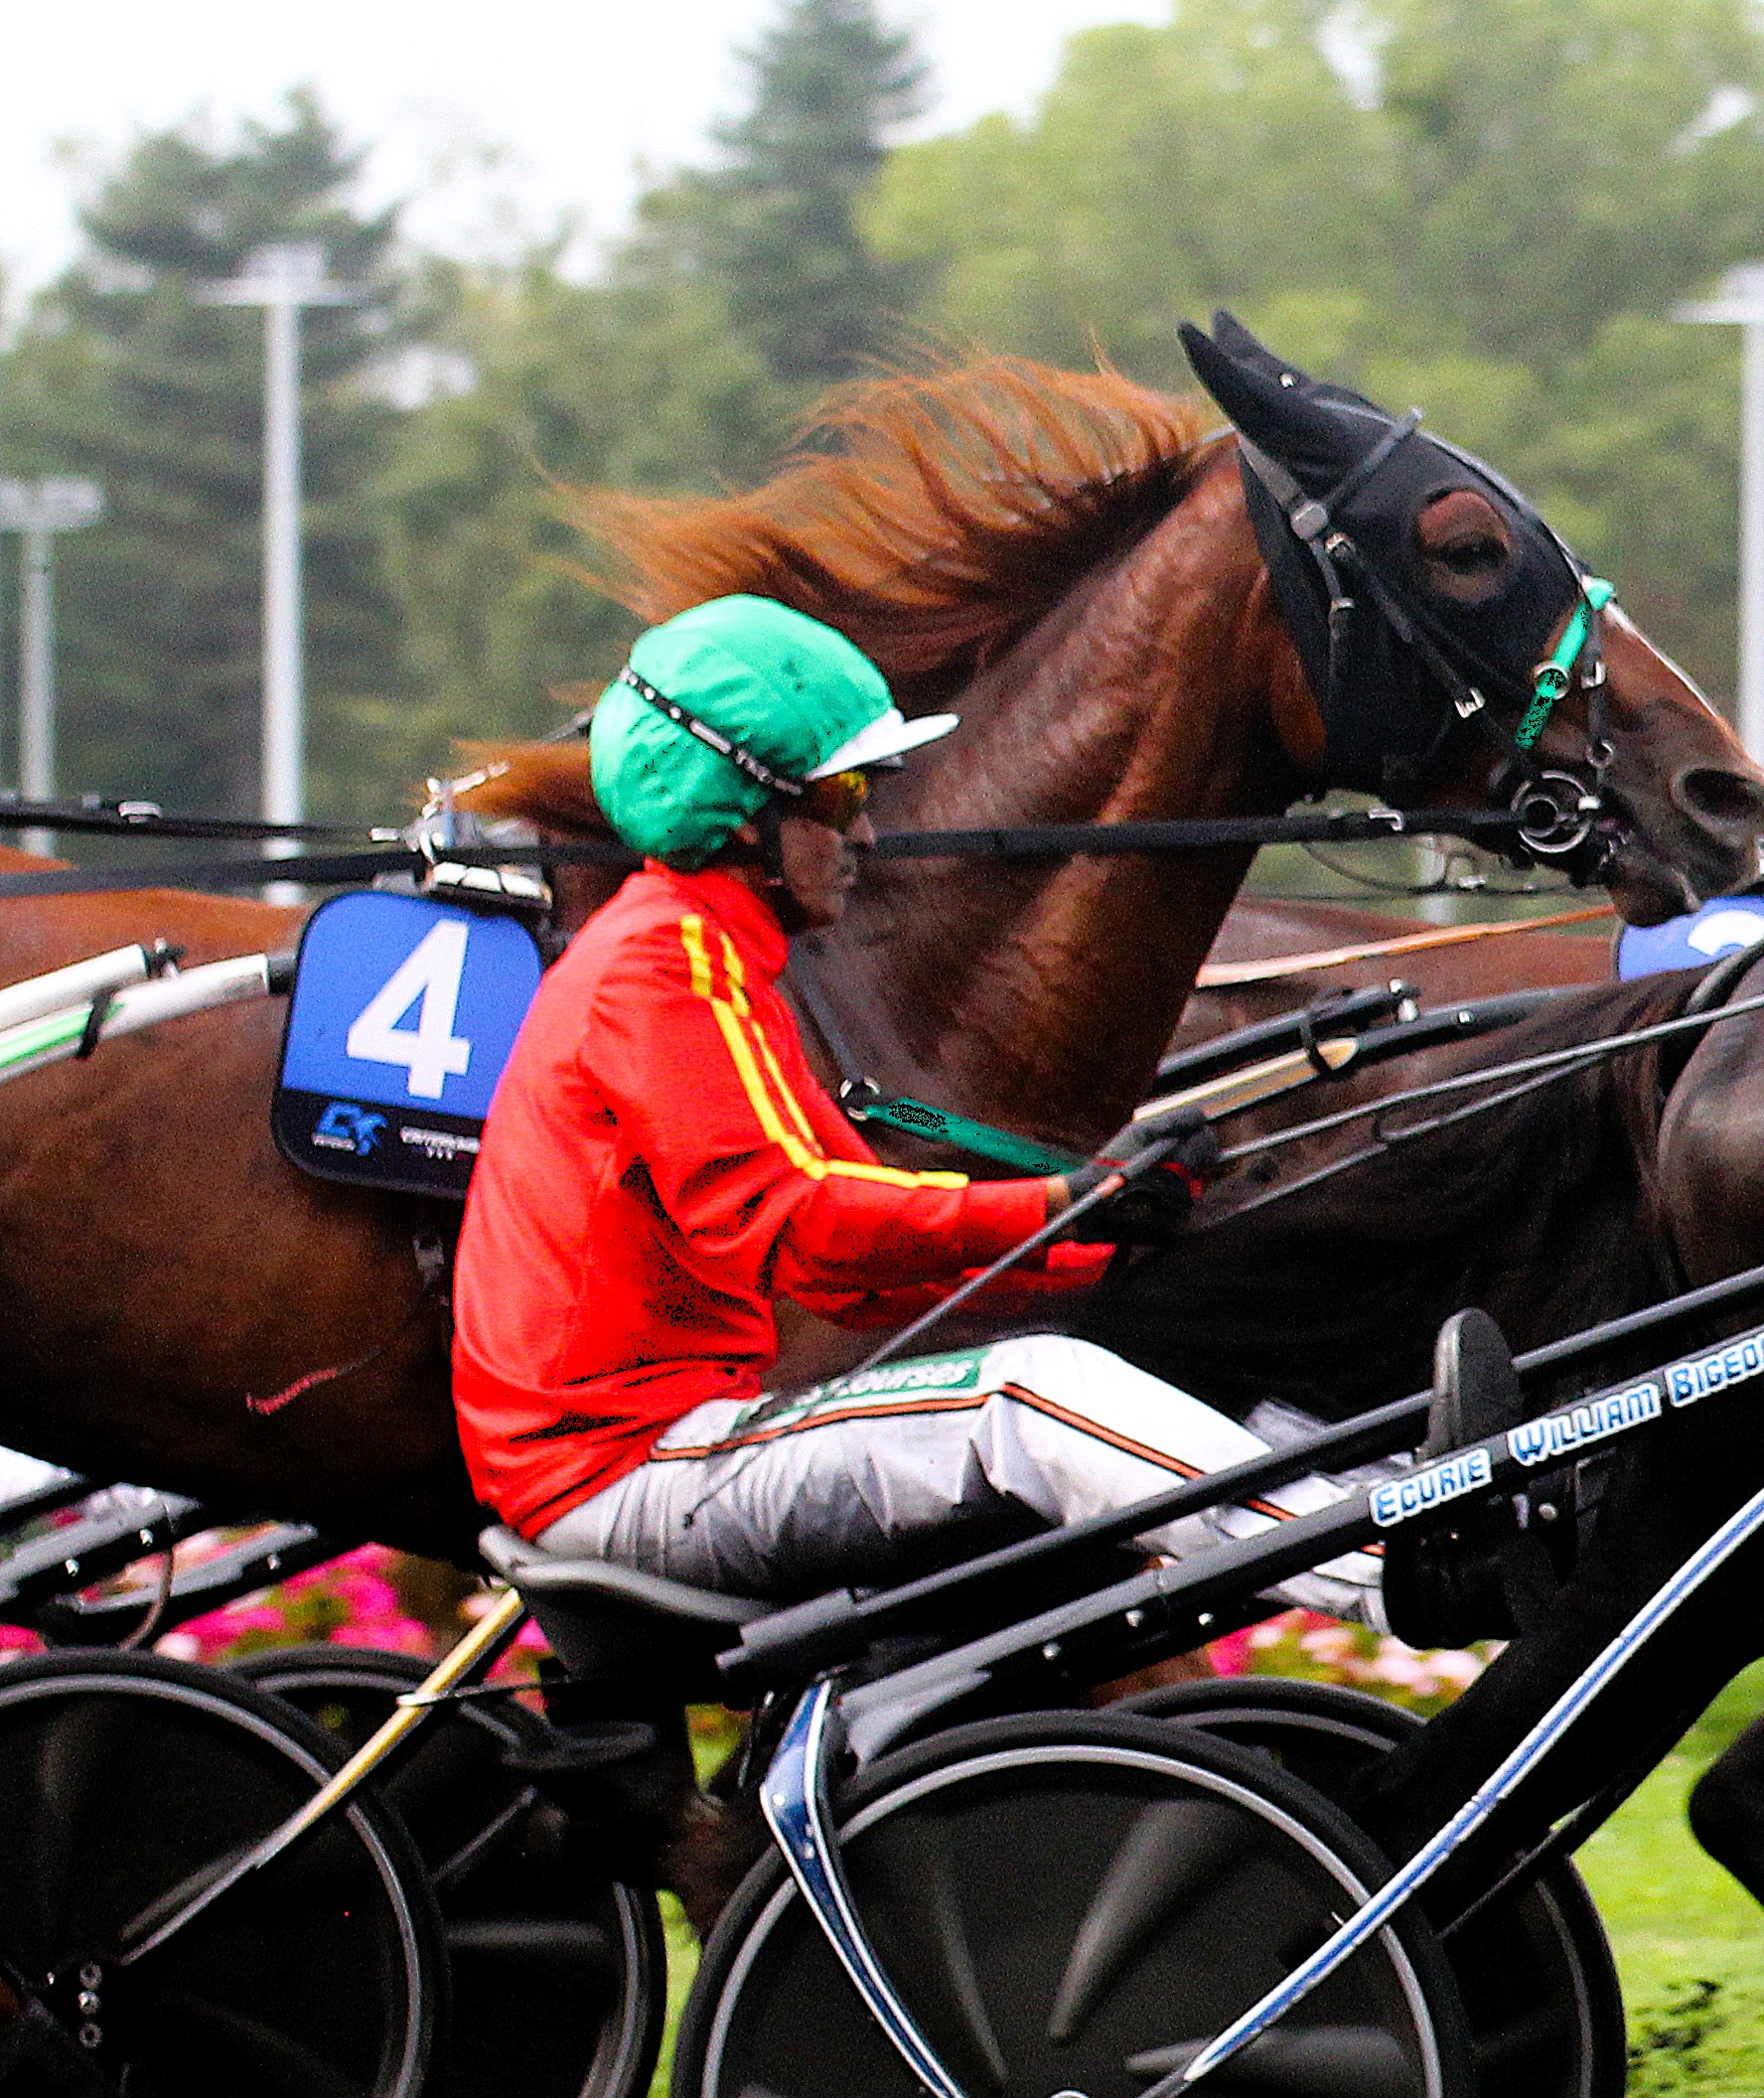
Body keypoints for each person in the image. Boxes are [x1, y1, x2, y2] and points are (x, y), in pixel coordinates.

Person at [450, 595, 1377, 1624]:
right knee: (1027, 1397)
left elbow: (844, 1270)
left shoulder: (706, 956)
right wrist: (1063, 1202)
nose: (869, 834)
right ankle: (1383, 1572)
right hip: (632, 1473)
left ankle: (1385, 1502)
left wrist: (1102, 1246)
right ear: (741, 810)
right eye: (845, 798)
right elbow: (802, 1226)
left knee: (1106, 1352)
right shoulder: (665, 964)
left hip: (656, 1451)